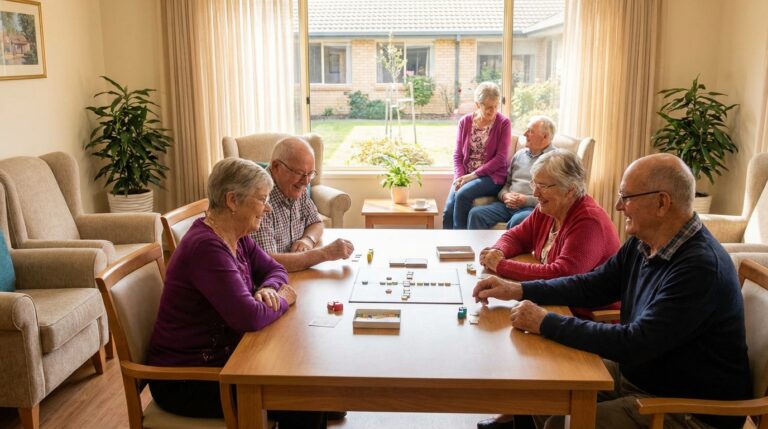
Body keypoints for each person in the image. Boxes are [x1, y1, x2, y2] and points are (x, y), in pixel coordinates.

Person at [473, 154, 751, 429]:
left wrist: (545, 321)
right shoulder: (644, 243)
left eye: (626, 197)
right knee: (540, 382)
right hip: (642, 376)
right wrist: (518, 289)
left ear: (661, 203)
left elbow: (634, 343)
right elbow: (590, 285)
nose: (618, 206)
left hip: (687, 407)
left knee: (559, 424)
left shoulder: (700, 269)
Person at [147, 158, 326, 428]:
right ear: (232, 200)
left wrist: (267, 288)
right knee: (303, 399)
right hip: (187, 379)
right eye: (261, 199)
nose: (266, 207)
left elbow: (276, 268)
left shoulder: (237, 236)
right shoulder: (206, 248)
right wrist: (282, 299)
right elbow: (248, 317)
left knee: (310, 387)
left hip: (229, 359)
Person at [479, 149, 620, 314]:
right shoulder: (548, 209)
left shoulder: (589, 221)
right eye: (534, 184)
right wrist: (498, 251)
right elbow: (517, 236)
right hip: (551, 302)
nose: (535, 193)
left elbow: (561, 275)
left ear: (570, 190)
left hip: (584, 316)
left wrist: (502, 266)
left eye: (543, 186)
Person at [252, 136, 354, 272]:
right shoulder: (258, 196)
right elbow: (267, 262)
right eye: (299, 173)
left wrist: (308, 240)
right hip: (267, 284)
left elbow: (315, 222)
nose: (306, 182)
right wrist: (325, 253)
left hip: (295, 274)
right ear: (276, 166)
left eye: (310, 174)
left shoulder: (294, 186)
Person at [468, 116, 556, 229]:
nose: (524, 134)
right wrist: (505, 195)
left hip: (531, 208)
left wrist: (526, 200)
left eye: (531, 131)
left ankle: (503, 247)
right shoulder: (520, 155)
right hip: (507, 205)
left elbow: (554, 196)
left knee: (517, 220)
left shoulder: (555, 159)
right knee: (476, 214)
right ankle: (480, 247)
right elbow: (507, 184)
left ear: (545, 137)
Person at [443, 81, 511, 229]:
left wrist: (471, 176)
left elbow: (500, 159)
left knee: (462, 195)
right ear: (477, 105)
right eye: (488, 107)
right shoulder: (465, 121)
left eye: (495, 106)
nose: (492, 111)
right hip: (466, 176)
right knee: (447, 212)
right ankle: (446, 248)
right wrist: (460, 177)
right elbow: (457, 155)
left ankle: (461, 247)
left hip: (492, 177)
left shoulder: (503, 123)